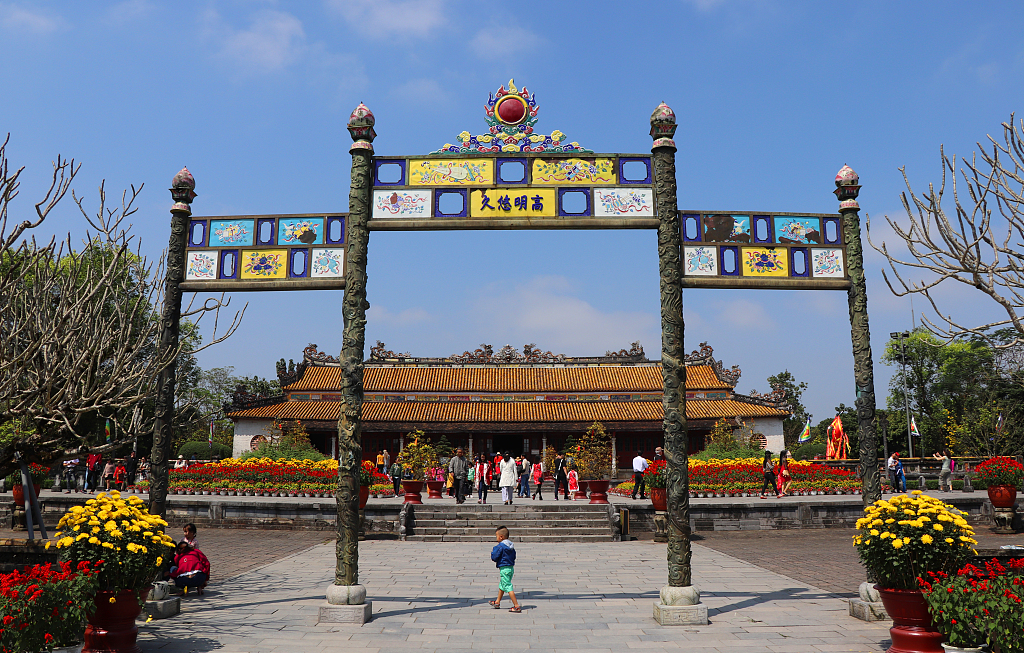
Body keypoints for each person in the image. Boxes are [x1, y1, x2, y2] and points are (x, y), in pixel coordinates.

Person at [488, 525, 521, 613]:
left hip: (504, 568)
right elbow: (514, 556)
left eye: (497, 536)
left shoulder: (500, 546)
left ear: (501, 537)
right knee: (502, 585)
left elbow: (494, 557)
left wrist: (493, 552)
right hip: (510, 568)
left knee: (507, 586)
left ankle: (516, 606)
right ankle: (497, 602)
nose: (496, 538)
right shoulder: (511, 546)